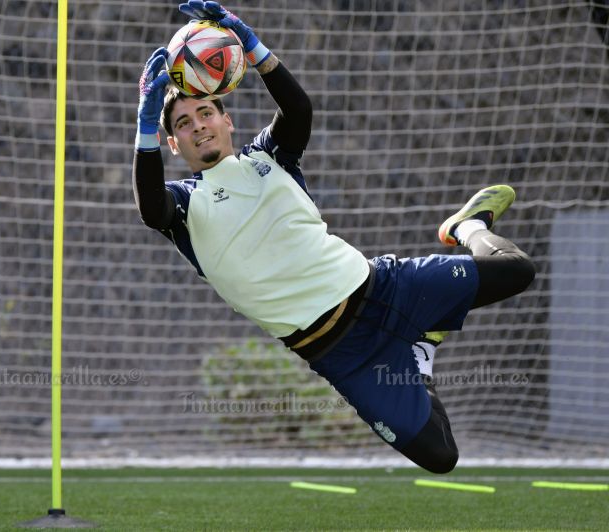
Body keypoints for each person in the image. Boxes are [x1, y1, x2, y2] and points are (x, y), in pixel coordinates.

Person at [133, 1, 535, 474]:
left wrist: (252, 44)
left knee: (517, 271)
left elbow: (298, 108)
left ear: (227, 120)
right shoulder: (182, 205)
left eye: (205, 112)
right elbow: (149, 207)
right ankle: (420, 352)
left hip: (385, 288)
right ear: (174, 145)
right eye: (183, 124)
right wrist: (145, 128)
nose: (198, 125)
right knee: (440, 455)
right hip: (340, 354)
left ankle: (466, 226)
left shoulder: (268, 156)